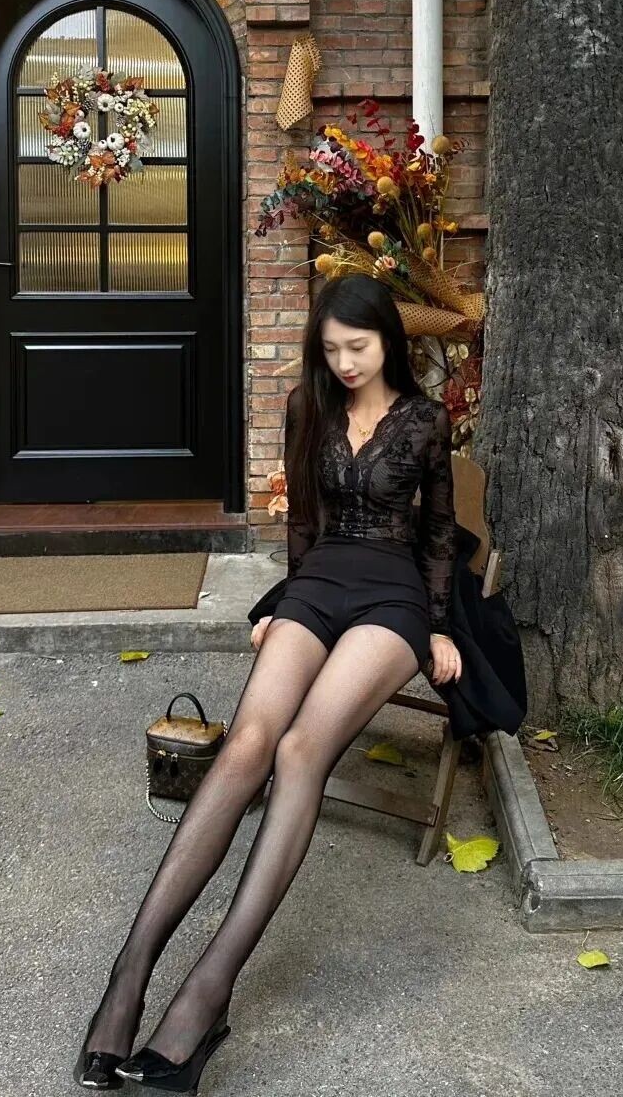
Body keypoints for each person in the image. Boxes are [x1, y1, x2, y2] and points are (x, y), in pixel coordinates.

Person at [74, 272, 461, 1091]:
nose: (346, 362)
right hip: (320, 582)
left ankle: (206, 994)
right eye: (332, 349)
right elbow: (304, 523)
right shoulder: (306, 407)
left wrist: (437, 626)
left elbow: (436, 535)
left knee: (299, 749)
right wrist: (285, 601)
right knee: (247, 743)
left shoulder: (427, 420)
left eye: (359, 346)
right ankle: (129, 975)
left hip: (392, 597)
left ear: (389, 340)